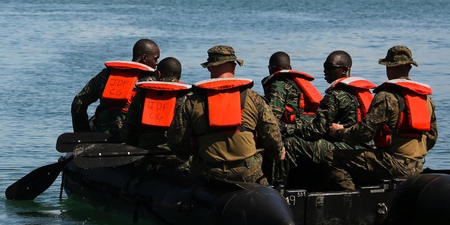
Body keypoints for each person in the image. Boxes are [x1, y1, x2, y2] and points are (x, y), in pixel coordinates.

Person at [167, 45, 285, 185]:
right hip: (248, 172)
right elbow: (272, 133)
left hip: (208, 171)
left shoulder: (191, 102)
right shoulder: (254, 98)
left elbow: (176, 141)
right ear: (234, 66)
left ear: (210, 67)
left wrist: (193, 151)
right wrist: (279, 152)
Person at [327, 46, 437, 190]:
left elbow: (364, 134)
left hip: (393, 164)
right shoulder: (425, 99)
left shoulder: (386, 96)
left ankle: (351, 198)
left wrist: (340, 131)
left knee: (331, 156)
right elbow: (432, 137)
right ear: (409, 68)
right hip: (417, 166)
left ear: (388, 68)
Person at [280, 51, 376, 188]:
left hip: (343, 148)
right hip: (362, 146)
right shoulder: (361, 92)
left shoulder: (335, 95)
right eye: (324, 67)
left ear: (344, 70)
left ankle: (281, 188)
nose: (325, 71)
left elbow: (317, 130)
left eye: (330, 67)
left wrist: (285, 128)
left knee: (290, 143)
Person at [70, 38, 160, 138]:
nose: (157, 63)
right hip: (130, 138)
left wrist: (82, 134)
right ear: (144, 58)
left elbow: (78, 102)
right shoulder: (149, 82)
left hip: (101, 133)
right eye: (155, 59)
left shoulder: (106, 75)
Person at [121, 57, 191, 170]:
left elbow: (128, 130)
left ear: (158, 74)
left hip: (145, 155)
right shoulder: (188, 97)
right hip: (176, 159)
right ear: (179, 77)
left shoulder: (142, 94)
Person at [261, 51, 322, 133]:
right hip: (311, 123)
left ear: (270, 68)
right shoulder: (296, 81)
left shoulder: (278, 85)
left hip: (296, 127)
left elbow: (272, 116)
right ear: (290, 68)